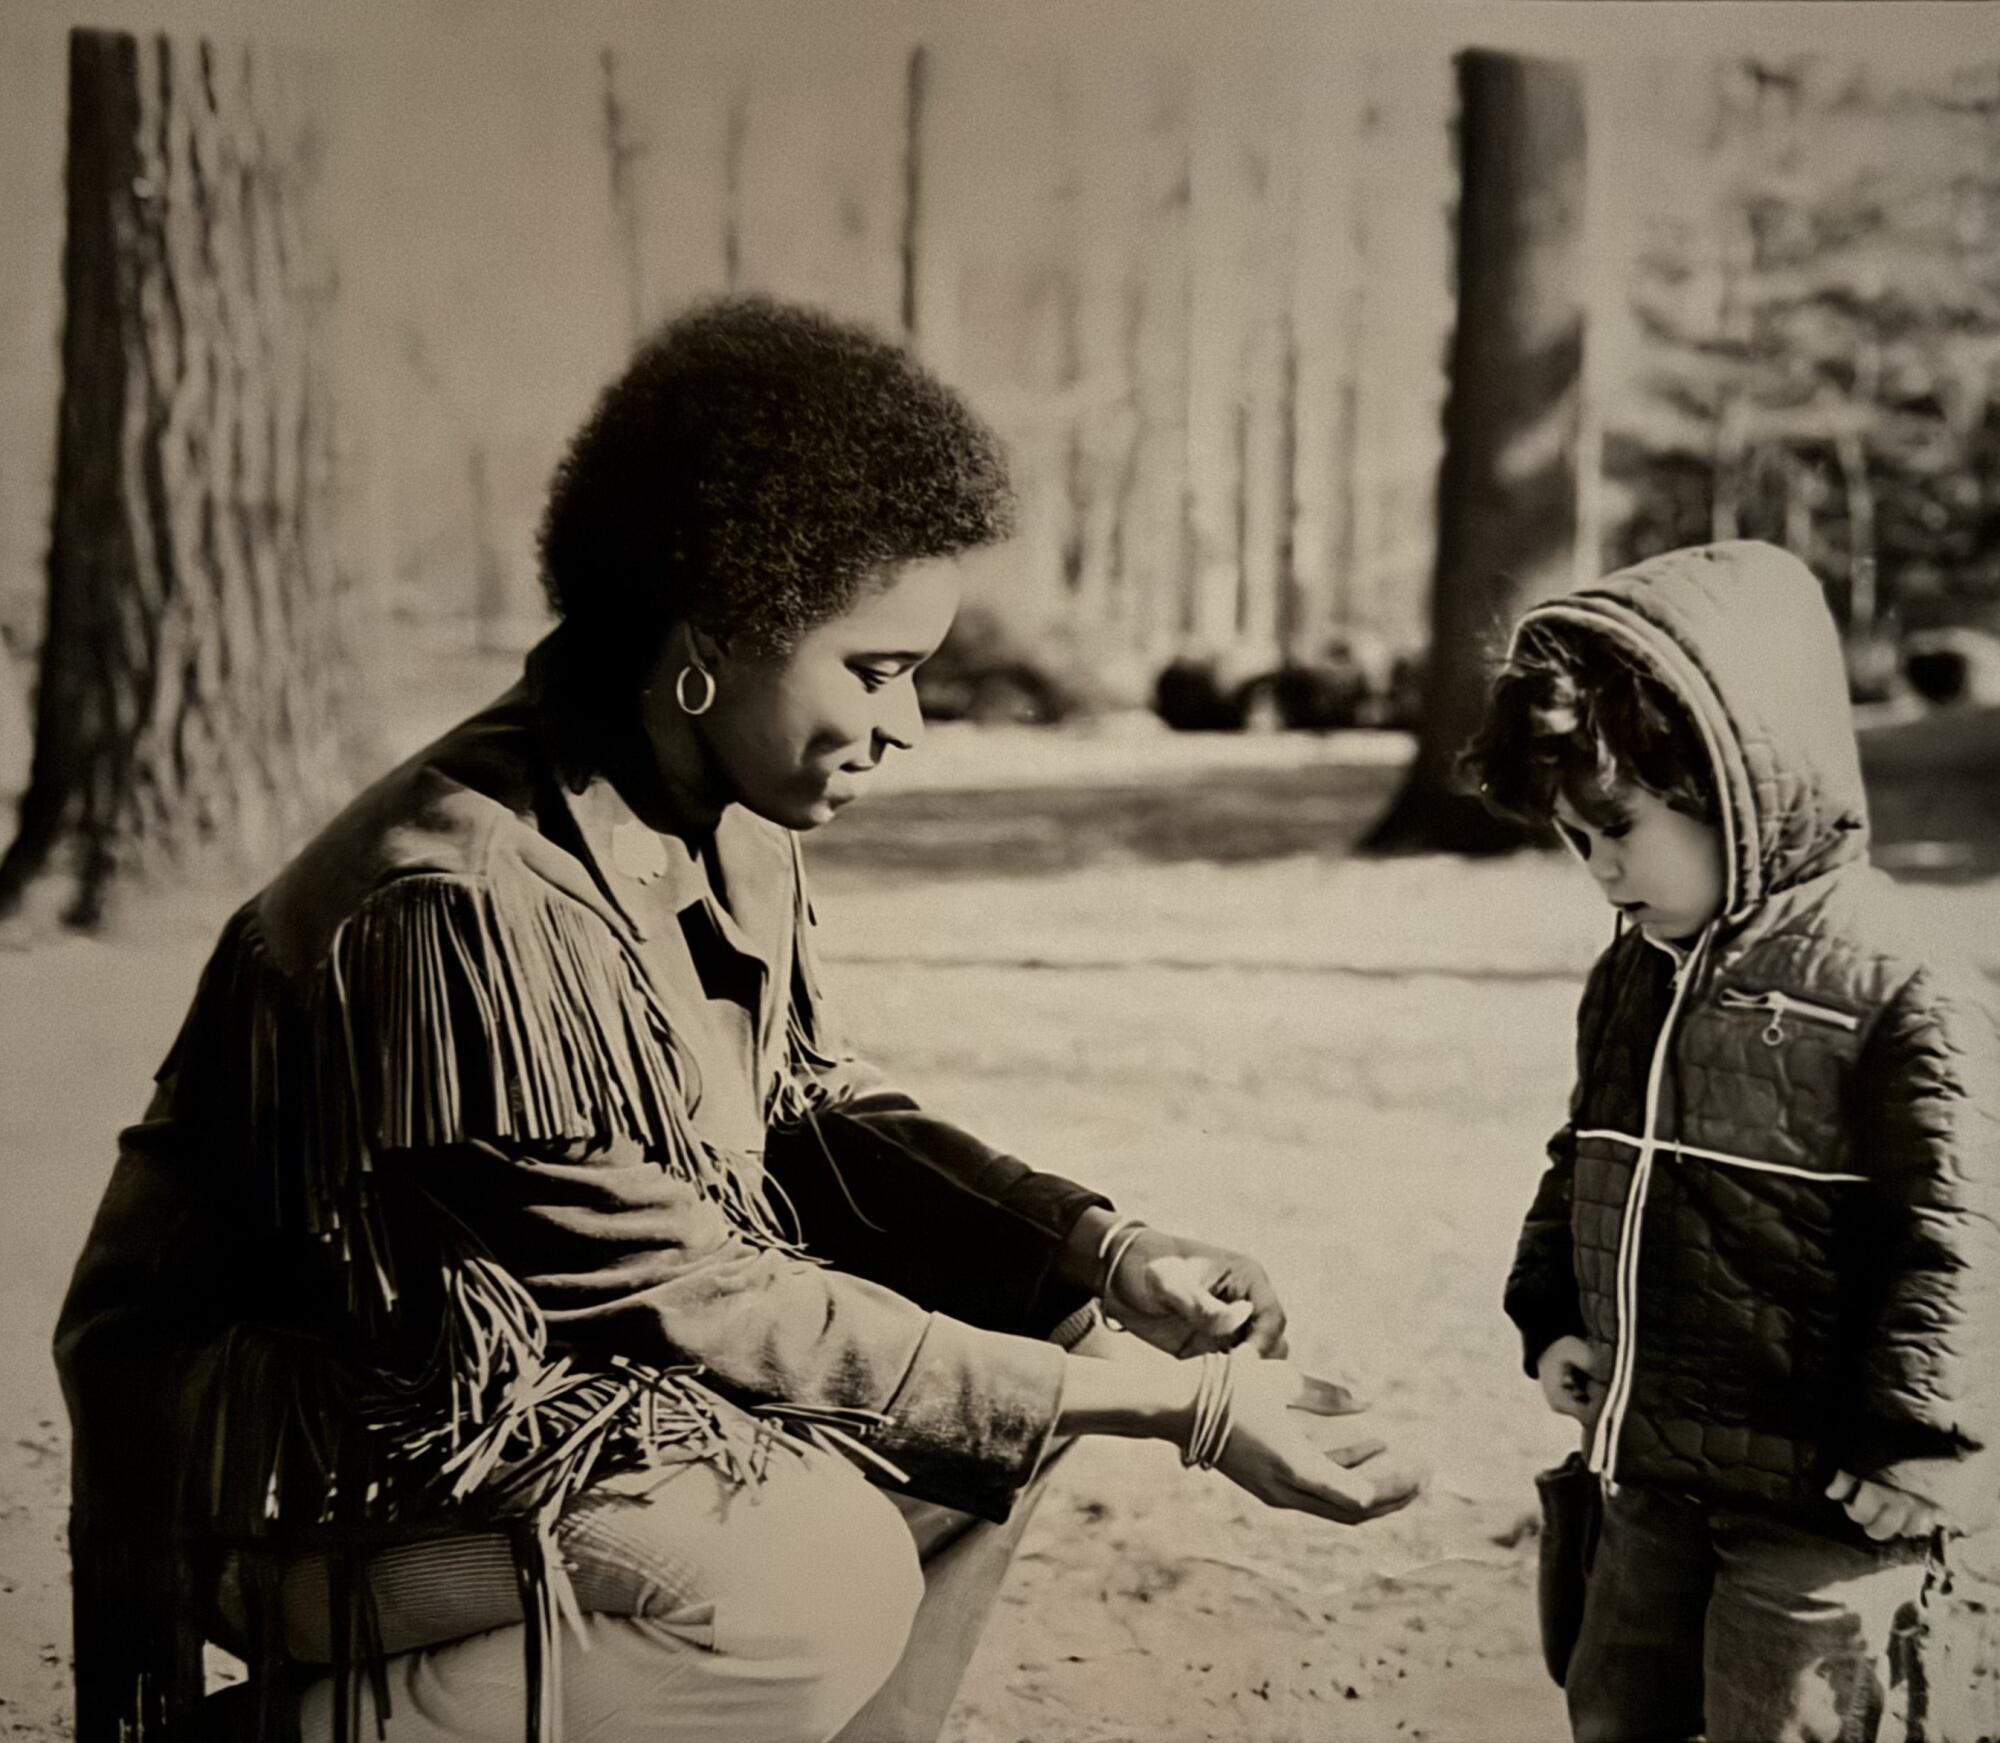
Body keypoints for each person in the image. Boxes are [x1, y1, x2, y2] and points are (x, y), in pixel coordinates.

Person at [55, 296, 1423, 1743]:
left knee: (1041, 1321)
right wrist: (1187, 1418)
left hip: (497, 1414)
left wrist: (1104, 1248)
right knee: (807, 1575)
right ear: (710, 644)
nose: (907, 728)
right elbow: (683, 1291)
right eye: (876, 671)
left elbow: (803, 1109)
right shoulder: (464, 897)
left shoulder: (708, 802)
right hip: (292, 1471)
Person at [1463, 539, 2000, 1741]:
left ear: (1733, 786)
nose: (1599, 869)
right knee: (1613, 1703)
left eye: (1619, 828)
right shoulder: (1635, 969)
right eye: (1573, 840)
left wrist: (1916, 1440)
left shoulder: (1898, 983)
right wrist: (1548, 1307)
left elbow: (1959, 1231)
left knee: (1789, 1722)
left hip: (1823, 1505)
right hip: (1651, 1468)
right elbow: (1584, 1151)